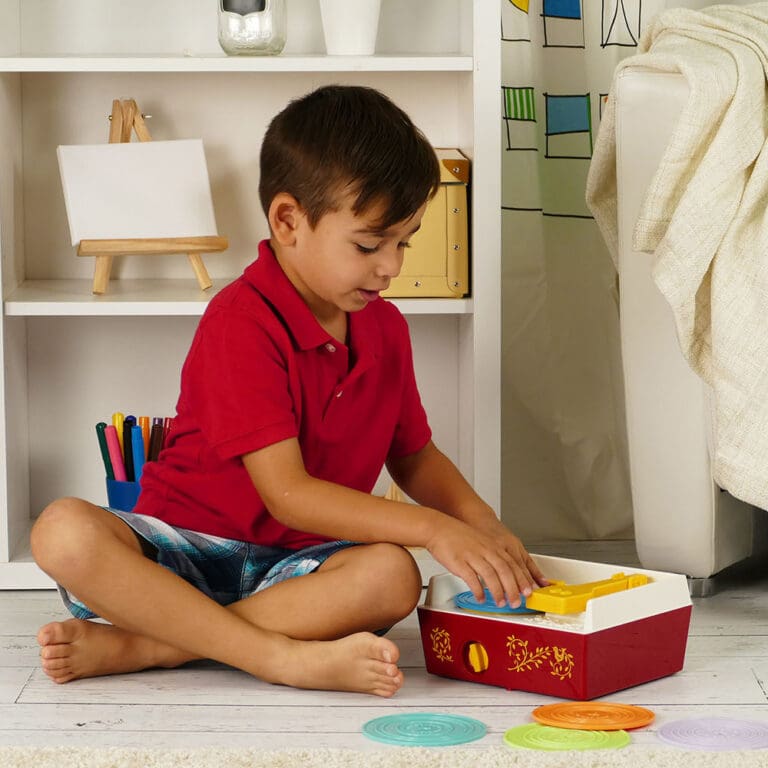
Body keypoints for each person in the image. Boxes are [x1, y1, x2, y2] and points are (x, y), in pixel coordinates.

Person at [31, 84, 547, 698]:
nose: (391, 266)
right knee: (61, 529)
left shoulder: (385, 328)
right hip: (180, 557)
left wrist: (482, 524)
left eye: (403, 242)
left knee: (390, 575)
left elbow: (413, 455)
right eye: (368, 244)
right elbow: (289, 495)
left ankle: (151, 645)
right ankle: (276, 658)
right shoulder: (240, 321)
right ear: (287, 220)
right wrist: (435, 530)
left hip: (297, 573)